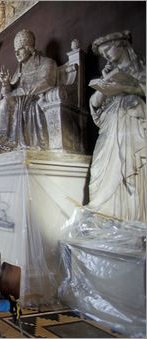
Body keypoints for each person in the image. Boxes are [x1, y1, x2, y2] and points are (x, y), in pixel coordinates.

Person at [87, 31, 146, 223]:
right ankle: (106, 220)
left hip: (132, 122)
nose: (105, 56)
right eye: (102, 54)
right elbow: (96, 106)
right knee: (98, 169)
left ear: (121, 45)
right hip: (110, 124)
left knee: (129, 166)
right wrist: (103, 88)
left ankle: (130, 220)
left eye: (107, 50)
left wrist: (128, 88)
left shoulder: (141, 68)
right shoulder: (109, 73)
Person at [0, 29, 57, 151]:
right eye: (15, 50)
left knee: (4, 103)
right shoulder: (19, 70)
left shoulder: (46, 63)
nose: (16, 53)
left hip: (31, 100)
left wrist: (21, 92)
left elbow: (48, 81)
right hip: (16, 101)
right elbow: (7, 93)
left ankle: (7, 140)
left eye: (20, 49)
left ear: (29, 48)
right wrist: (6, 83)